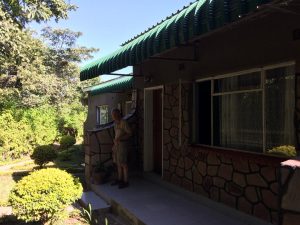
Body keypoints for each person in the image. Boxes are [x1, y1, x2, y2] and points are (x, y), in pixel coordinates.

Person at [111, 108, 132, 189]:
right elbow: (116, 135)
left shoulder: (124, 122)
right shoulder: (115, 123)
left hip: (123, 145)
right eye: (113, 115)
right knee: (118, 163)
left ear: (118, 114)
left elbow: (130, 133)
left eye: (115, 114)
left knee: (123, 163)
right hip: (116, 145)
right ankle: (120, 179)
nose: (113, 116)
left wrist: (121, 138)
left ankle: (126, 181)